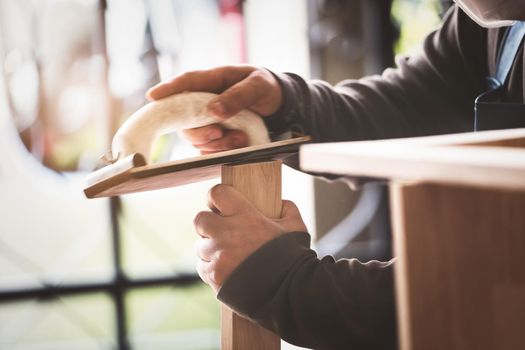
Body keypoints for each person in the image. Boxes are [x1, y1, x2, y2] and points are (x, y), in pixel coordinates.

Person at [146, 1, 525, 349]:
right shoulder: (494, 18)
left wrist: (283, 284)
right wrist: (285, 110)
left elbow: (497, 288)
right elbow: (421, 102)